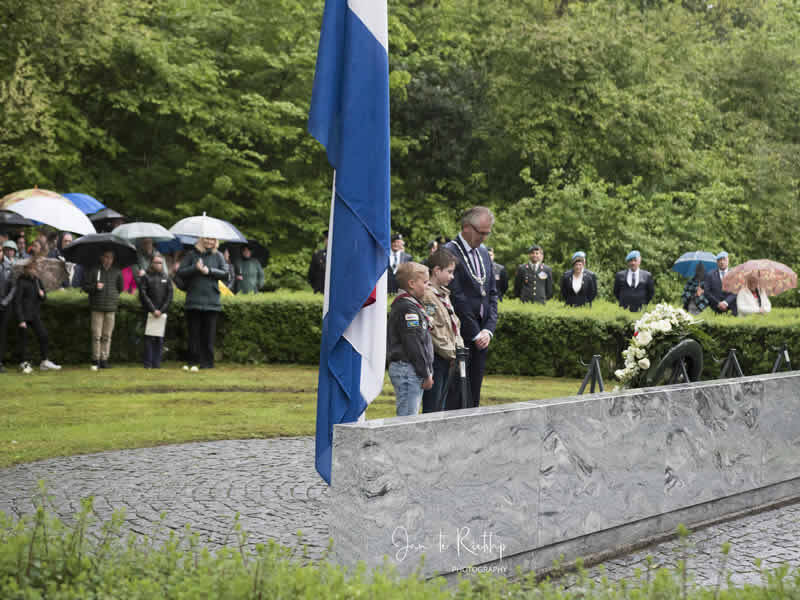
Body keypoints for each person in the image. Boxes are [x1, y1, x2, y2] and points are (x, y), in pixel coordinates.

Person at [443, 206, 498, 408]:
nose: (484, 238)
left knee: (474, 393)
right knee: (456, 394)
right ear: (467, 227)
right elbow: (457, 297)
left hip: (482, 335)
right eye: (481, 233)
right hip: (461, 336)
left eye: (487, 233)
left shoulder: (483, 253)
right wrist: (474, 333)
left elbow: (492, 293)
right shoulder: (449, 252)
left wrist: (488, 330)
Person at [387, 262, 434, 416]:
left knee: (409, 415)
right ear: (412, 284)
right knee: (407, 419)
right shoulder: (407, 308)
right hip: (408, 369)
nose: (428, 286)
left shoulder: (411, 305)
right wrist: (425, 373)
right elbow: (413, 343)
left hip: (410, 369)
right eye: (425, 282)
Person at [421, 249, 463, 413]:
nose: (452, 276)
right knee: (433, 406)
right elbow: (433, 331)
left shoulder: (443, 295)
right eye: (449, 272)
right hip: (437, 358)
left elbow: (452, 326)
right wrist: (451, 353)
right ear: (437, 270)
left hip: (448, 357)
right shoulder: (428, 296)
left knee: (442, 404)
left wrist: (457, 350)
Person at [178, 237, 228, 370]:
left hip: (212, 301)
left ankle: (207, 363)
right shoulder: (191, 255)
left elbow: (226, 274)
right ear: (201, 240)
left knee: (209, 335)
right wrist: (195, 268)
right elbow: (181, 272)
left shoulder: (218, 256)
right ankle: (192, 362)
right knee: (193, 334)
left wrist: (209, 271)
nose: (209, 242)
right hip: (193, 300)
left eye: (212, 240)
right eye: (206, 239)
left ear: (215, 242)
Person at [15, 258, 61, 373]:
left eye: (35, 267)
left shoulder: (37, 280)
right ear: (27, 269)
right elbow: (17, 302)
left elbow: (44, 297)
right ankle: (23, 363)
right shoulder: (21, 281)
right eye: (32, 268)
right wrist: (21, 319)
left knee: (43, 335)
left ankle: (44, 362)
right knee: (24, 340)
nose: (35, 270)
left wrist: (42, 294)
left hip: (34, 314)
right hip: (24, 315)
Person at [82, 250, 124, 370]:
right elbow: (85, 287)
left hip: (111, 308)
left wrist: (113, 297)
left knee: (107, 335)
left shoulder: (117, 271)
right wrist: (95, 286)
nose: (108, 259)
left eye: (110, 257)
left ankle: (104, 360)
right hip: (97, 307)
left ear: (113, 259)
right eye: (106, 257)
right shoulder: (94, 270)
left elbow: (120, 288)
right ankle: (95, 360)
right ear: (102, 258)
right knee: (96, 335)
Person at [138, 255, 173, 368]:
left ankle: (157, 363)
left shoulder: (166, 278)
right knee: (148, 337)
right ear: (151, 263)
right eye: (156, 262)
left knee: (159, 338)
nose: (158, 265)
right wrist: (153, 309)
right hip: (149, 312)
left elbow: (169, 295)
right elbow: (143, 294)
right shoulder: (146, 277)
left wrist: (161, 310)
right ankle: (147, 363)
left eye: (160, 263)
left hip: (162, 313)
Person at [0, 243, 17, 372]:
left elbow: (14, 287)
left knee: (2, 334)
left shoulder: (9, 267)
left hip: (5, 306)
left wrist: (5, 301)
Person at [704, 251, 737, 315]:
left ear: (728, 260)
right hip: (715, 309)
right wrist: (718, 303)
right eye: (719, 260)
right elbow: (707, 292)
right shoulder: (710, 274)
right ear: (717, 262)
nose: (722, 262)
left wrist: (726, 302)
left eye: (724, 259)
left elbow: (736, 291)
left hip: (732, 309)